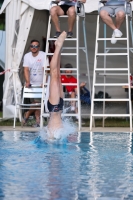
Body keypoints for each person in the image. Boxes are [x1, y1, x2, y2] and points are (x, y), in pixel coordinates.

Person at [23, 39, 49, 127]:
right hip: (32, 83)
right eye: (32, 46)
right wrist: (28, 81)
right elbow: (26, 69)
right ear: (30, 47)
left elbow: (46, 69)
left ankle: (28, 114)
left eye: (36, 46)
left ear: (39, 47)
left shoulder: (43, 55)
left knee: (37, 102)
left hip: (41, 82)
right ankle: (37, 121)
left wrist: (44, 82)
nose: (34, 48)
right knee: (37, 102)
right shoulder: (27, 56)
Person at [47, 31, 67, 138]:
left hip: (54, 108)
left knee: (54, 74)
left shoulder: (51, 139)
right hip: (59, 108)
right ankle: (58, 48)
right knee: (58, 75)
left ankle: (58, 47)